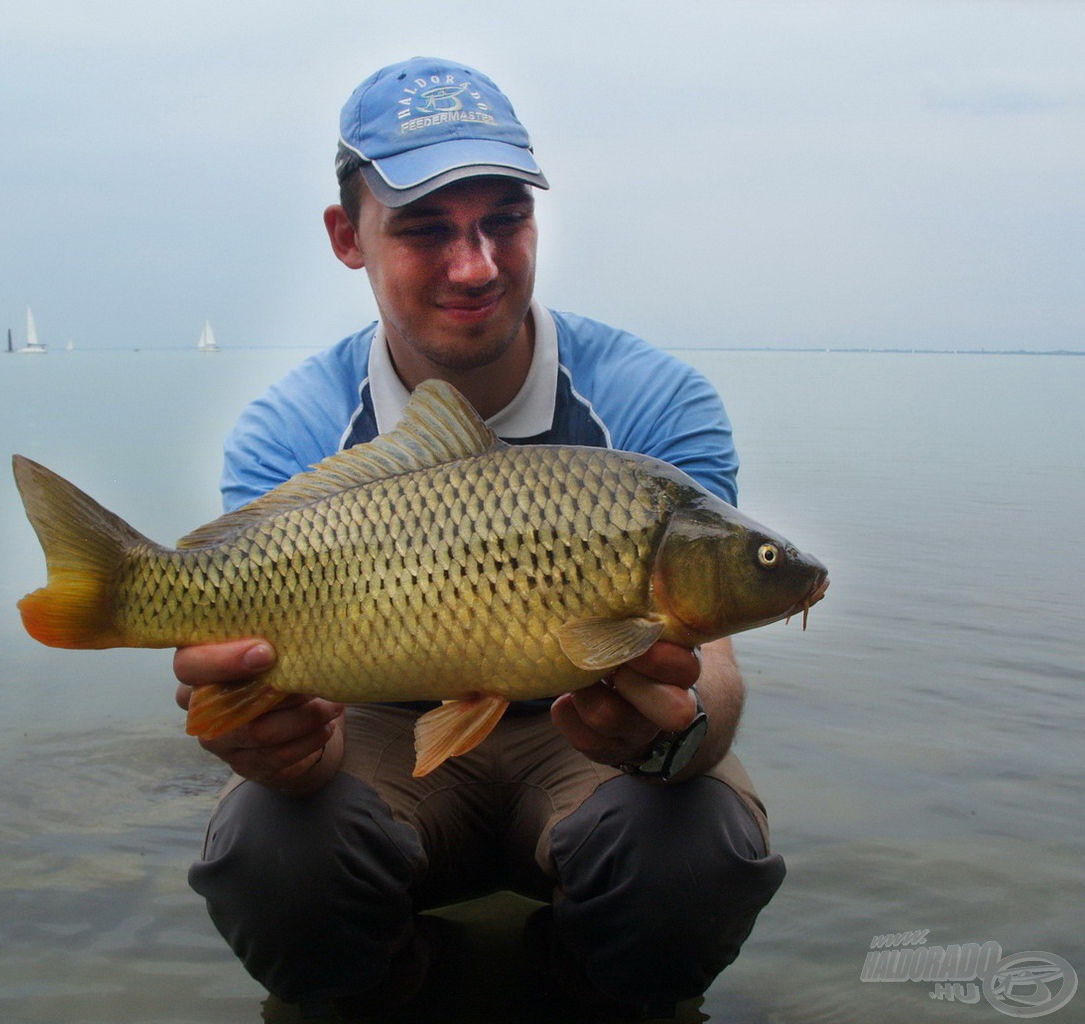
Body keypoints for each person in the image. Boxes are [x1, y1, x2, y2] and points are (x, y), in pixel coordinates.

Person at [175, 56, 786, 1020]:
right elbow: (276, 705)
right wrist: (275, 743)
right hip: (375, 730)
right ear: (348, 237)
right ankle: (399, 985)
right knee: (269, 851)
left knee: (694, 845)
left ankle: (584, 988)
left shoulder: (658, 402)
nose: (477, 265)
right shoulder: (287, 433)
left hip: (581, 737)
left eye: (504, 218)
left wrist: (681, 733)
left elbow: (710, 664)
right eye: (425, 229)